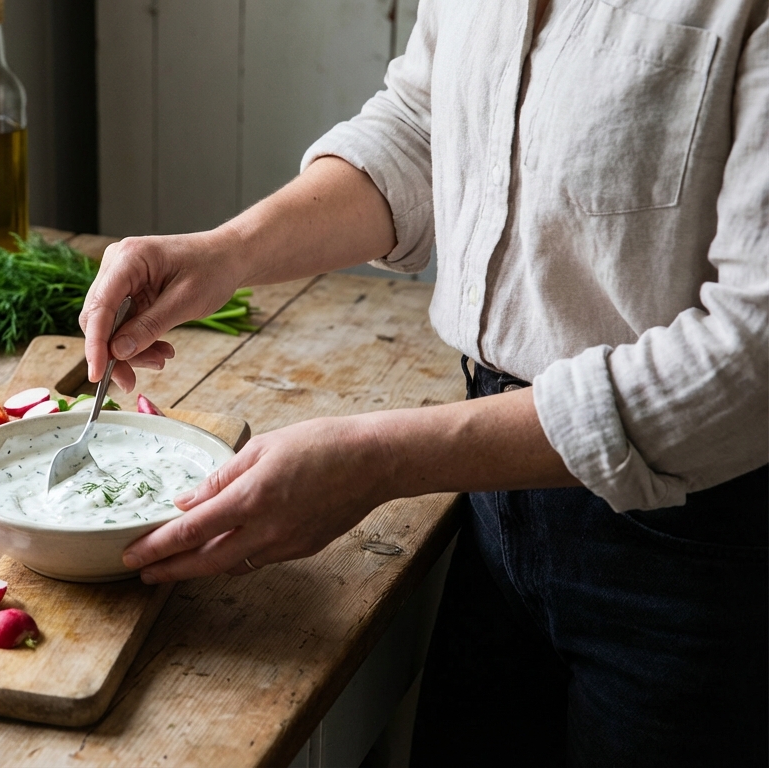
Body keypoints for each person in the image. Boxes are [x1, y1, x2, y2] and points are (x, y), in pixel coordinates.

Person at [78, 1, 767, 765]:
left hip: (705, 553)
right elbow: (425, 125)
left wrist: (381, 457)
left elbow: (750, 363)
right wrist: (228, 251)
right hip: (496, 503)